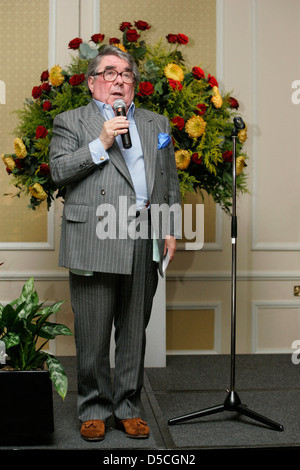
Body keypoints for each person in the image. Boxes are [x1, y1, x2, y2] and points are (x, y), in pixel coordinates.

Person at [49, 45, 181, 441]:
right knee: (91, 332)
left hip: (144, 232)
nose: (119, 80)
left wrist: (169, 225)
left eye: (126, 74)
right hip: (96, 234)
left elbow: (169, 179)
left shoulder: (157, 122)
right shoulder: (70, 121)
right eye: (109, 73)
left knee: (133, 331)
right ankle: (93, 408)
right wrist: (100, 143)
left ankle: (127, 407)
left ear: (134, 84)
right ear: (92, 83)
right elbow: (57, 171)